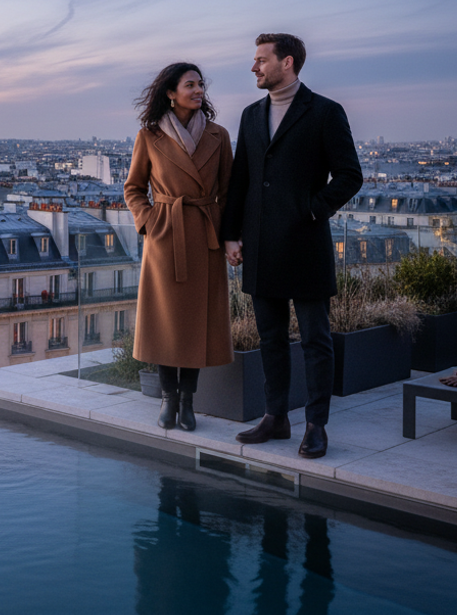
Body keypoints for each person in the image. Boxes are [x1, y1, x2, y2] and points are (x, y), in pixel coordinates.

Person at [220, 33, 362, 458]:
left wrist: (312, 211)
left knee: (316, 339)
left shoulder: (324, 112)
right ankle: (275, 417)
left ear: (287, 62)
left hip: (304, 242)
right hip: (261, 246)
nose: (254, 67)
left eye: (261, 60)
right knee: (271, 338)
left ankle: (316, 424)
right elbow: (240, 179)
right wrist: (231, 234)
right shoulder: (249, 115)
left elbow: (350, 175)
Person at [124, 62, 233, 431]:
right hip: (166, 237)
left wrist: (227, 232)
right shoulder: (149, 136)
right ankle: (168, 401)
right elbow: (134, 188)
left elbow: (229, 192)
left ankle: (188, 402)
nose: (199, 90)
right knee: (165, 324)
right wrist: (150, 221)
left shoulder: (218, 135)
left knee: (196, 325)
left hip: (204, 238)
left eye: (201, 84)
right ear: (171, 93)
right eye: (191, 84)